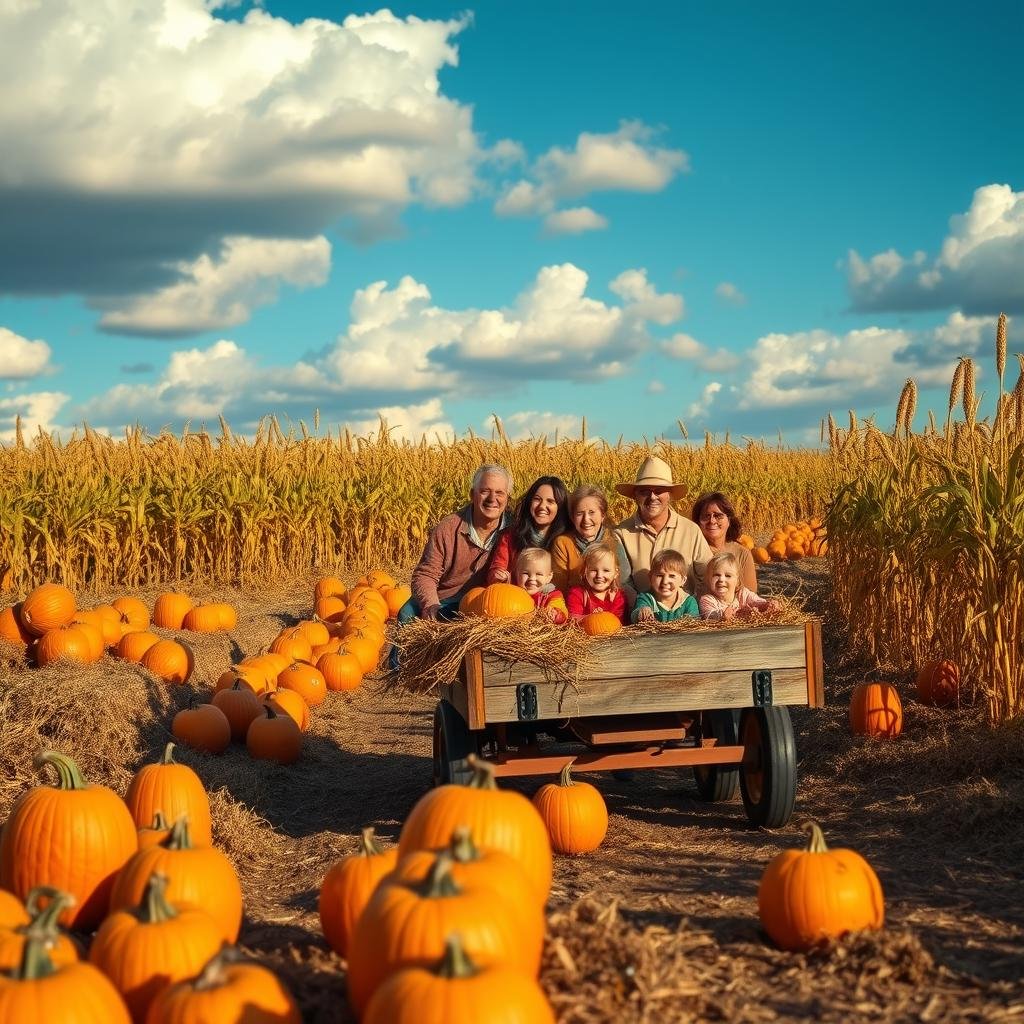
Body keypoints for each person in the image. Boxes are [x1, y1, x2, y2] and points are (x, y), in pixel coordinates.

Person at [401, 463, 513, 623]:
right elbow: (425, 574)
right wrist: (431, 605)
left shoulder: (514, 530)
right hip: (445, 600)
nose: (492, 499)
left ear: (507, 499)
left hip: (488, 602)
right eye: (485, 491)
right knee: (407, 614)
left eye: (499, 493)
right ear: (472, 494)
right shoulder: (448, 528)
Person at [613, 456, 712, 604]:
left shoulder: (690, 530)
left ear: (670, 495)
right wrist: (642, 609)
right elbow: (624, 583)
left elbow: (707, 575)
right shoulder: (621, 534)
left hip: (686, 618)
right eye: (644, 491)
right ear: (635, 496)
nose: (652, 497)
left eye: (659, 491)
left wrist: (694, 607)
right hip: (641, 617)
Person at [487, 476, 571, 584]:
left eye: (550, 501)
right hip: (515, 598)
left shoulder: (566, 541)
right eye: (537, 499)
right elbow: (497, 567)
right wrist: (497, 575)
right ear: (529, 502)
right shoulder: (510, 537)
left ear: (560, 508)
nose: (542, 506)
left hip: (553, 599)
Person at [691, 491, 757, 593]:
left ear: (729, 520)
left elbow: (750, 595)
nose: (712, 521)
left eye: (718, 516)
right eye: (706, 516)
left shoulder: (742, 554)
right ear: (698, 522)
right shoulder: (692, 550)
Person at [550, 484, 611, 594]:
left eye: (592, 512)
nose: (586, 519)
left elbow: (621, 583)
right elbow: (559, 586)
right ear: (572, 517)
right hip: (573, 604)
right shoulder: (563, 543)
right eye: (579, 513)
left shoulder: (613, 541)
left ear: (603, 515)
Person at [699, 551, 779, 621]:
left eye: (728, 576)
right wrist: (722, 615)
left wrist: (766, 605)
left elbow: (756, 601)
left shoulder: (743, 594)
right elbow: (709, 616)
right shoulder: (707, 600)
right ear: (708, 580)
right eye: (716, 575)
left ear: (737, 581)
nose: (721, 579)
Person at [630, 549, 699, 623]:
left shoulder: (689, 602)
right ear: (650, 577)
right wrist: (642, 611)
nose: (665, 581)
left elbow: (693, 625)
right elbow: (635, 615)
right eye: (660, 575)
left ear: (683, 580)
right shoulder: (645, 598)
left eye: (672, 576)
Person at [566, 541, 627, 623]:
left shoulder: (618, 596)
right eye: (594, 570)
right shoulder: (577, 593)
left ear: (616, 573)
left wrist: (601, 618)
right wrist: (592, 618)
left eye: (606, 570)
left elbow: (616, 622)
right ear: (584, 571)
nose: (599, 575)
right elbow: (573, 619)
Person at [515, 548, 568, 624]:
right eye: (526, 573)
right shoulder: (514, 593)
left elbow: (561, 610)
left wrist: (556, 613)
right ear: (517, 574)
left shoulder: (552, 595)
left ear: (549, 577)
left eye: (539, 574)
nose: (532, 579)